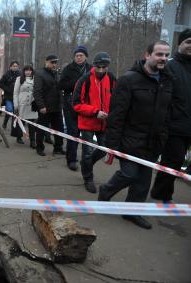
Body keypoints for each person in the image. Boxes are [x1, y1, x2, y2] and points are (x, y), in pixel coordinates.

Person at [98, 40, 173, 229]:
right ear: (147, 55)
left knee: (143, 181)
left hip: (153, 142)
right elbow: (117, 114)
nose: (163, 58)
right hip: (130, 140)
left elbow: (168, 111)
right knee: (129, 174)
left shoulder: (168, 80)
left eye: (166, 55)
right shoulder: (128, 80)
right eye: (159, 54)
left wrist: (163, 136)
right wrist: (112, 144)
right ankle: (105, 192)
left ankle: (132, 212)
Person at [150, 29, 191, 202]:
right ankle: (161, 194)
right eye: (189, 42)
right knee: (173, 161)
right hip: (175, 126)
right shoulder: (170, 66)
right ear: (180, 43)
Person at [73, 52, 116, 193]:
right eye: (99, 67)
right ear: (94, 65)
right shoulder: (85, 80)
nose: (101, 70)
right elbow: (76, 104)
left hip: (104, 123)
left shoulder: (111, 78)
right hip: (88, 122)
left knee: (104, 148)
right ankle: (88, 178)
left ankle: (87, 164)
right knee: (87, 152)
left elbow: (117, 99)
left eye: (104, 67)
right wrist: (95, 112)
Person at [60, 45, 91, 171]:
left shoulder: (91, 69)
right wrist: (77, 83)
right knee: (73, 133)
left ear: (86, 57)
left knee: (84, 134)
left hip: (86, 106)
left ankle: (82, 159)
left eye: (81, 55)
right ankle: (71, 159)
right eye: (77, 55)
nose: (78, 58)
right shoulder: (68, 69)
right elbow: (61, 85)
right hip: (70, 105)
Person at [33, 55, 65, 156]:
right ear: (46, 62)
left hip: (57, 107)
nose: (54, 64)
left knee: (59, 129)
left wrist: (62, 103)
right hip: (45, 108)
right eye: (52, 62)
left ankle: (58, 148)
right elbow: (37, 92)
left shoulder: (56, 74)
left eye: (55, 62)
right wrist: (41, 106)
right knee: (42, 129)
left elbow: (59, 89)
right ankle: (39, 147)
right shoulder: (39, 74)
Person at [13, 65, 38, 147]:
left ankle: (33, 141)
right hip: (22, 103)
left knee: (32, 124)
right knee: (21, 121)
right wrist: (16, 105)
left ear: (32, 71)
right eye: (26, 70)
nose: (28, 72)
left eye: (30, 70)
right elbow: (15, 93)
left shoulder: (36, 79)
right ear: (24, 71)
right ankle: (19, 137)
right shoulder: (19, 79)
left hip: (32, 104)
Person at [0, 61, 20, 129]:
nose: (15, 67)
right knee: (9, 110)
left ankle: (14, 126)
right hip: (8, 97)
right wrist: (6, 89)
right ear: (10, 67)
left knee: (15, 112)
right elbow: (0, 83)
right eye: (14, 66)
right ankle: (5, 123)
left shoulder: (20, 74)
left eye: (16, 66)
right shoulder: (6, 74)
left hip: (17, 97)